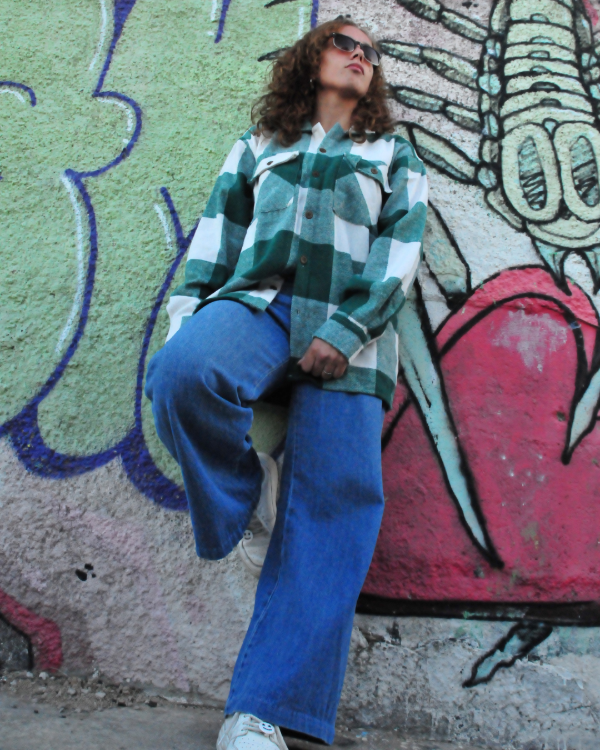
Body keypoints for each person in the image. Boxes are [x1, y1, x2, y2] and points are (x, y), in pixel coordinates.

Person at [145, 15, 428, 750]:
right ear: (310, 57)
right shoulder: (260, 145)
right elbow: (216, 238)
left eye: (371, 52)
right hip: (260, 306)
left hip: (352, 334)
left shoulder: (392, 152)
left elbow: (400, 252)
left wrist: (349, 330)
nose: (360, 56)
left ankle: (261, 713)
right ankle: (241, 499)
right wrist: (189, 319)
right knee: (181, 374)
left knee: (332, 511)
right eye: (345, 43)